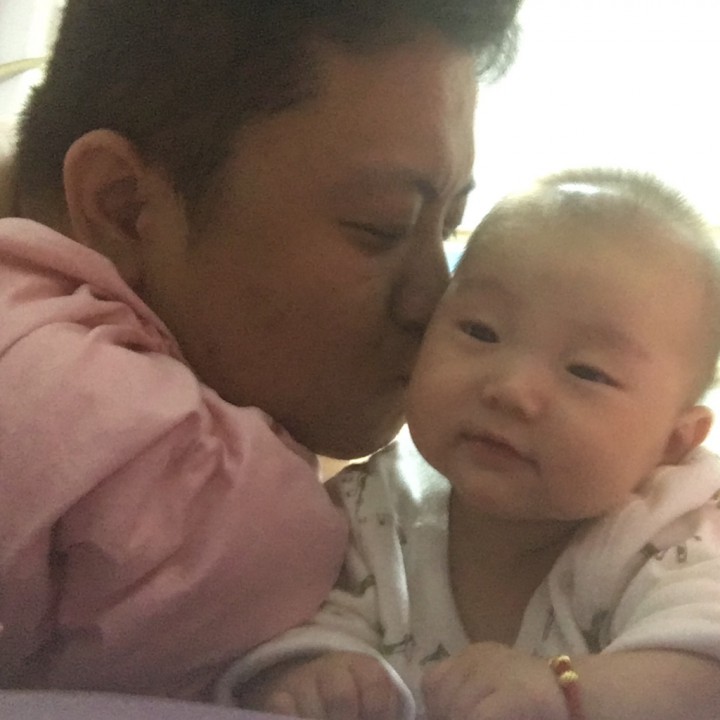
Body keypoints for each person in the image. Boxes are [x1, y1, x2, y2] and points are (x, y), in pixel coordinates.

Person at [0, 0, 523, 701]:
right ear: (124, 207)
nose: (433, 302)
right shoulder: (64, 385)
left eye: (450, 227)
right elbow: (260, 550)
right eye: (381, 225)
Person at [219, 168, 720, 720]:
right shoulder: (373, 508)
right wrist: (315, 673)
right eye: (480, 331)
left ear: (673, 442)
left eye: (586, 371)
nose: (511, 389)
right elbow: (289, 628)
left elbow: (703, 678)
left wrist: (564, 692)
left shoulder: (675, 531)